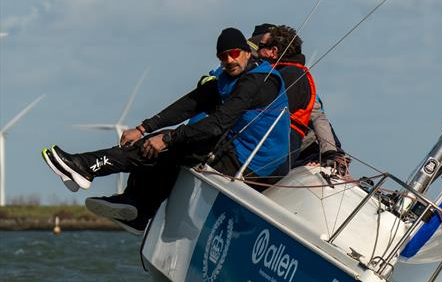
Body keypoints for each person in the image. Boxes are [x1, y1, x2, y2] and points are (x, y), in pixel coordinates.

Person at [42, 27, 291, 234]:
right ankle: (137, 208)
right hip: (236, 148)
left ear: (248, 52)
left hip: (253, 165)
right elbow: (190, 104)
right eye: (223, 56)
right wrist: (143, 128)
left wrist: (169, 137)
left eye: (234, 54)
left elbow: (219, 122)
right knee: (156, 145)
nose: (229, 60)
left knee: (167, 148)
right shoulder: (229, 77)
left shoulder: (260, 81)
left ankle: (87, 167)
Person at [249, 24, 348, 176]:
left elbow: (318, 116)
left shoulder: (293, 76)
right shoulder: (276, 72)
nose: (256, 52)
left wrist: (330, 153)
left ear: (273, 50)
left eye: (260, 46)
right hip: (290, 147)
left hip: (308, 148)